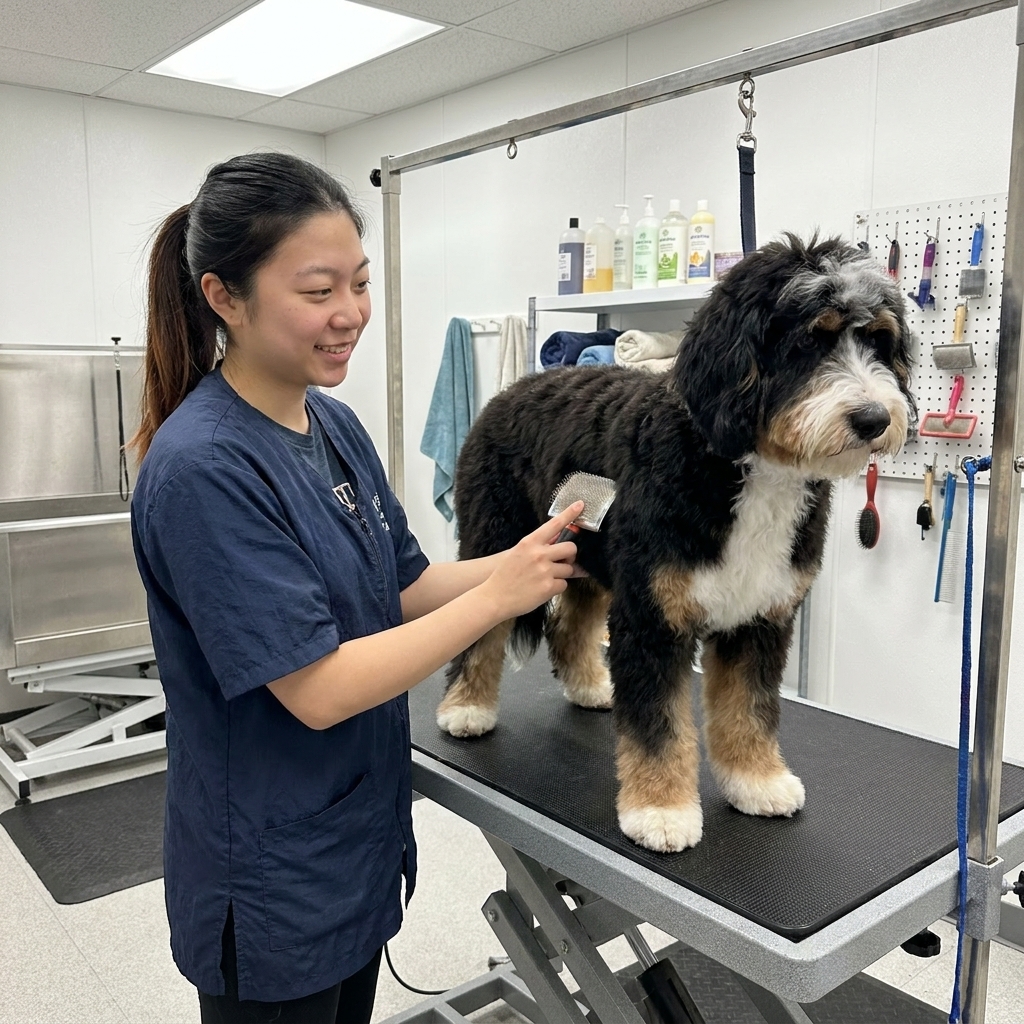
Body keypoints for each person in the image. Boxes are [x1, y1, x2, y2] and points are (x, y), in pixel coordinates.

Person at [129, 152, 582, 1024]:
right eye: (317, 290)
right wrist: (496, 602)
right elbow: (318, 689)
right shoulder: (204, 469)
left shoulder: (331, 422)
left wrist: (518, 560)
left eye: (361, 284)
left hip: (347, 846)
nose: (350, 316)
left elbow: (404, 584)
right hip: (268, 880)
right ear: (224, 296)